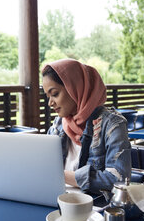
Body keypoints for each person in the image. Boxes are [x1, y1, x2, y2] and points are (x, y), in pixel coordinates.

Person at [42, 58, 131, 195]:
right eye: (47, 96)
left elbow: (119, 180)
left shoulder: (113, 124)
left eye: (55, 94)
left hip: (93, 206)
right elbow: (43, 165)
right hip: (55, 197)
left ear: (75, 88)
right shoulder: (58, 124)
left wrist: (60, 175)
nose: (50, 103)